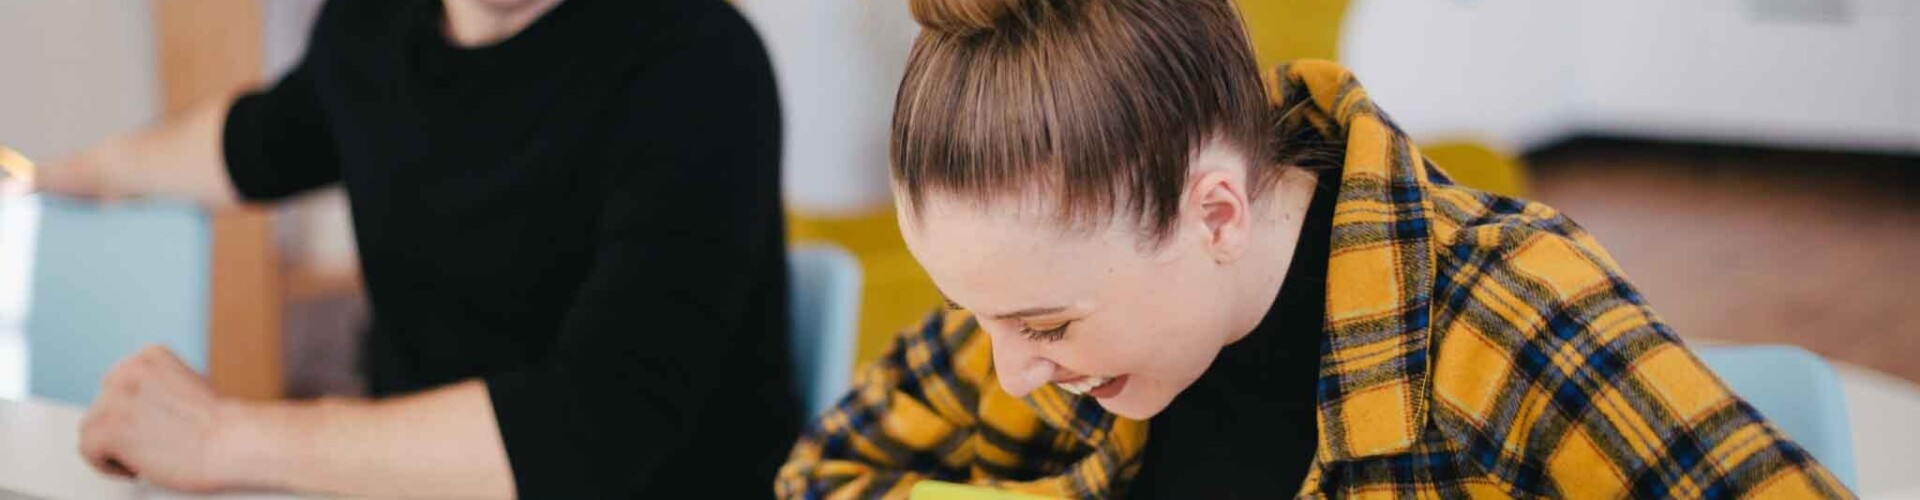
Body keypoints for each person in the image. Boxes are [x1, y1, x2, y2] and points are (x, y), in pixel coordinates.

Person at [776, 0, 1851, 497]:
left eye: (1044, 322)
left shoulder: (1505, 313)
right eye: (982, 315)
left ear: (1216, 212)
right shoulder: (1059, 323)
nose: (1011, 365)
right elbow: (825, 471)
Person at [33, 0, 797, 497]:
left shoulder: (698, 59)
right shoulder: (372, 27)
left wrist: (224, 437)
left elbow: (599, 426)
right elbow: (257, 142)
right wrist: (74, 171)